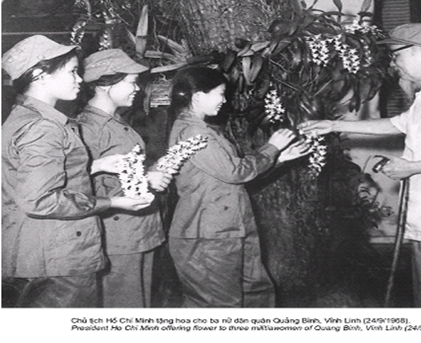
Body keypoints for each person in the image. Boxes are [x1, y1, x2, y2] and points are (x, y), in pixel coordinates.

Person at [299, 23, 421, 308]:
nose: (394, 65)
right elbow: (397, 123)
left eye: (397, 55)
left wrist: (412, 168)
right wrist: (332, 124)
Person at [1, 36, 152, 308]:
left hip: (37, 251)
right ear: (40, 75)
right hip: (59, 256)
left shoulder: (24, 117)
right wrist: (113, 202)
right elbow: (39, 199)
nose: (80, 80)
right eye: (72, 71)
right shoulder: (44, 127)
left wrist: (95, 166)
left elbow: (25, 176)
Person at [167, 66, 310, 307]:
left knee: (256, 295)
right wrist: (271, 148)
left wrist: (280, 159)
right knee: (220, 306)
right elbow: (234, 172)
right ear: (199, 96)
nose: (224, 100)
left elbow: (233, 179)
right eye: (220, 93)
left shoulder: (206, 130)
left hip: (230, 229)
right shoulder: (191, 131)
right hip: (208, 235)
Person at [77, 49, 172, 307]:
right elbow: (80, 185)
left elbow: (121, 170)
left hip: (138, 233)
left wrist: (150, 172)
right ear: (106, 84)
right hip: (117, 238)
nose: (138, 89)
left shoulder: (116, 121)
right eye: (131, 82)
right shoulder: (88, 128)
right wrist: (146, 180)